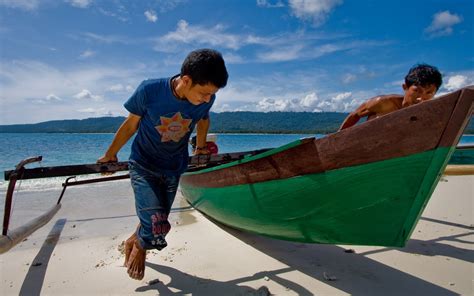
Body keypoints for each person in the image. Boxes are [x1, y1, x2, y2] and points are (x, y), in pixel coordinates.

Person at [97, 48, 228, 280]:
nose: (208, 99)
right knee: (156, 223)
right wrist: (110, 154)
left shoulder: (206, 100)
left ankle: (135, 239)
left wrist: (199, 147)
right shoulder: (150, 90)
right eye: (204, 93)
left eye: (212, 95)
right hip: (143, 164)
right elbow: (130, 125)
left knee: (158, 222)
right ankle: (140, 247)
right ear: (186, 81)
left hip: (174, 166)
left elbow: (203, 119)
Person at [338, 64, 442, 130]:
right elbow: (355, 115)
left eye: (429, 93)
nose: (421, 98)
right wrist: (336, 138)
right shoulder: (384, 103)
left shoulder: (431, 112)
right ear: (405, 87)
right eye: (417, 91)